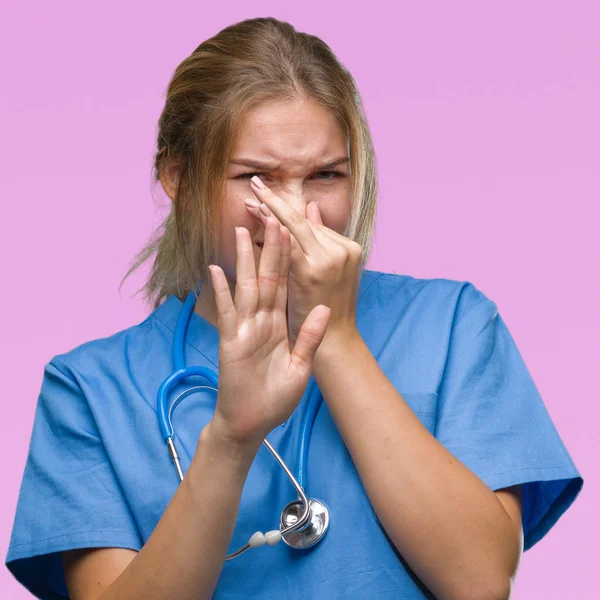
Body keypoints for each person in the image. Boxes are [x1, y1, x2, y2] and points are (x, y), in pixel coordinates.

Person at [5, 16, 583, 600]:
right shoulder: (87, 390)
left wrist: (337, 341)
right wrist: (231, 440)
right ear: (177, 178)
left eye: (326, 175)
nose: (295, 213)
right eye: (256, 178)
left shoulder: (455, 326)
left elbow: (481, 582)